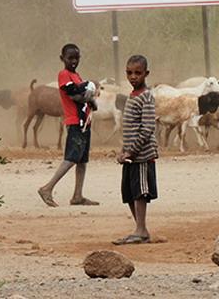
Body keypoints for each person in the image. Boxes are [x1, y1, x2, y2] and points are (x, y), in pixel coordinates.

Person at [38, 43, 99, 207]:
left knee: (82, 160)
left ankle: (77, 196)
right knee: (72, 158)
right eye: (70, 58)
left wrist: (88, 96)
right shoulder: (64, 75)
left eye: (76, 58)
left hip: (84, 122)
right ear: (62, 59)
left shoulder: (76, 76)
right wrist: (90, 97)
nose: (73, 61)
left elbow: (81, 93)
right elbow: (74, 95)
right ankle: (47, 188)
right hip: (75, 122)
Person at [113, 54, 158, 245]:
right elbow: (129, 128)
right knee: (130, 192)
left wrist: (131, 151)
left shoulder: (146, 97)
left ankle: (140, 230)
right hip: (131, 154)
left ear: (146, 74)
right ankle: (141, 229)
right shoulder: (132, 97)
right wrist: (124, 150)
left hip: (142, 155)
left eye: (138, 73)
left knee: (140, 192)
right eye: (129, 73)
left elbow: (147, 128)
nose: (133, 77)